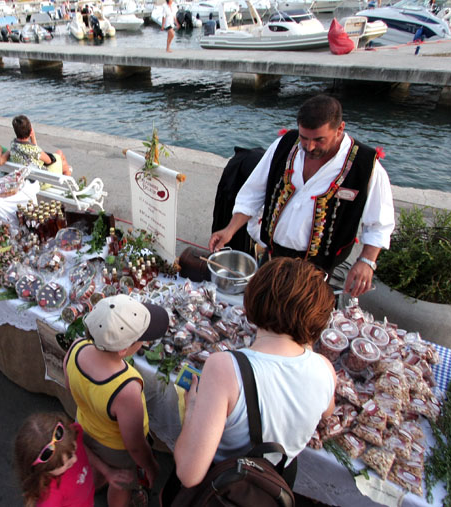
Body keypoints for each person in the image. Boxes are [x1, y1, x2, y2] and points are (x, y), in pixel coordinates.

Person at [170, 258, 336, 495]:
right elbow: (327, 412)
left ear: (251, 303)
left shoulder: (225, 368)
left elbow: (188, 474)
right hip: (275, 482)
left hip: (224, 488)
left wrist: (193, 410)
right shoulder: (325, 369)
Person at [208, 95, 394, 298]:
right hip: (272, 256)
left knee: (297, 321)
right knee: (260, 309)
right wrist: (230, 229)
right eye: (304, 138)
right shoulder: (285, 144)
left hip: (317, 269)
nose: (309, 147)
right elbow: (253, 193)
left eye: (318, 140)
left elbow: (379, 223)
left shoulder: (366, 166)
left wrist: (366, 261)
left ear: (340, 129)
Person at [63, 295, 167, 507]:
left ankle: (96, 483)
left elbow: (70, 388)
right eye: (141, 339)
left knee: (97, 470)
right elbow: (135, 444)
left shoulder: (75, 347)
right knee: (121, 483)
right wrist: (150, 465)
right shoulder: (126, 387)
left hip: (85, 426)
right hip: (115, 448)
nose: (143, 342)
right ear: (123, 349)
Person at [0, 115, 71, 176]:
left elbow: (32, 151)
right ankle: (68, 186)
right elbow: (49, 161)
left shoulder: (13, 145)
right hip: (36, 181)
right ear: (30, 131)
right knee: (63, 161)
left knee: (60, 157)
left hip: (24, 177)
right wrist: (33, 137)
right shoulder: (34, 151)